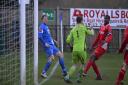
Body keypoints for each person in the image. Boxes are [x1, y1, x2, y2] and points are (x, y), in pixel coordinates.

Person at [65, 16, 94, 83]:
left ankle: (67, 76)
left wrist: (70, 46)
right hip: (82, 50)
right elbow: (92, 33)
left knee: (74, 65)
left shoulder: (73, 29)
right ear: (81, 21)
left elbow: (67, 40)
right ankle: (78, 78)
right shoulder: (83, 27)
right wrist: (91, 26)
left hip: (75, 50)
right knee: (83, 64)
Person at [83, 15, 112, 80]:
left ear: (109, 20)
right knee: (92, 60)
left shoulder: (109, 27)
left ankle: (84, 72)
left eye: (107, 19)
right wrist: (93, 45)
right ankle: (98, 76)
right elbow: (98, 37)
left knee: (92, 57)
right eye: (105, 18)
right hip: (99, 46)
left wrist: (106, 41)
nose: (105, 20)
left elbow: (110, 36)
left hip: (103, 46)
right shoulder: (102, 27)